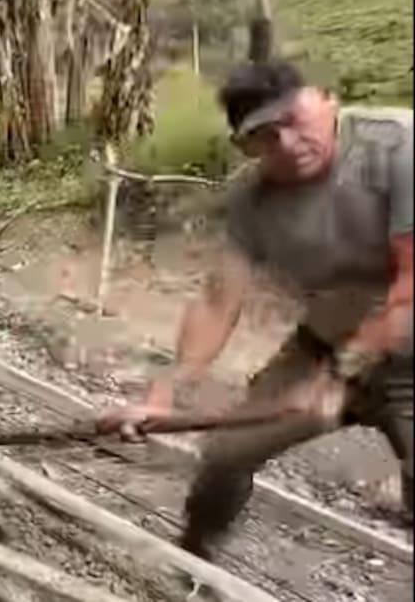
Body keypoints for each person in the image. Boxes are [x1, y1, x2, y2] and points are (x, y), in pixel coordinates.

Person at [102, 60, 412, 561]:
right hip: (322, 348)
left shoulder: (398, 147)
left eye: (293, 119)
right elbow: (217, 300)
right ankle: (193, 566)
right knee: (226, 455)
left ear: (326, 99)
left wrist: (340, 375)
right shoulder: (252, 200)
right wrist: (165, 391)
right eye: (265, 136)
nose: (287, 144)